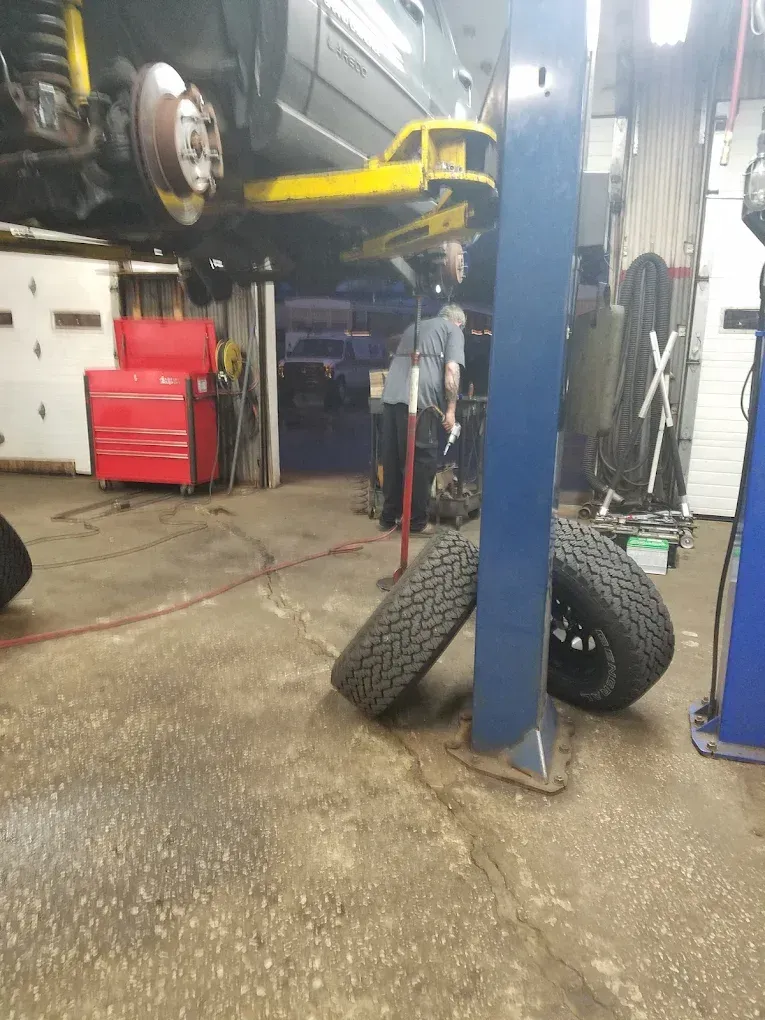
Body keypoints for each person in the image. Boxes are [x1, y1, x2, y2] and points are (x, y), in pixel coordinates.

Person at [380, 304, 466, 534]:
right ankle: (417, 522)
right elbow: (451, 370)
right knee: (422, 462)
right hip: (420, 401)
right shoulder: (453, 330)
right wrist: (450, 411)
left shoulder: (414, 326)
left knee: (393, 459)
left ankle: (388, 517)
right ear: (458, 322)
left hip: (391, 398)